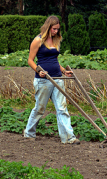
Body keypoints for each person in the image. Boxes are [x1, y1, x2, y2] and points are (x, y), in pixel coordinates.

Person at [24, 16, 80, 145]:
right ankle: (29, 133)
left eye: (57, 29)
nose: (56, 31)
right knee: (39, 109)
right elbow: (30, 60)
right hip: (43, 80)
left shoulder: (56, 40)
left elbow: (54, 60)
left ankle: (68, 137)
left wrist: (63, 71)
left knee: (62, 108)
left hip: (57, 78)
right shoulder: (37, 40)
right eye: (54, 29)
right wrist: (39, 71)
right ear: (48, 27)